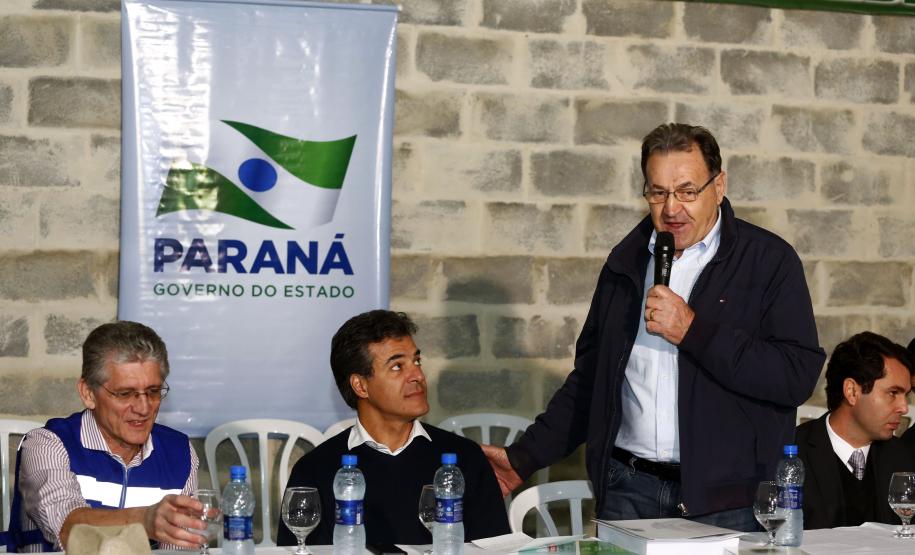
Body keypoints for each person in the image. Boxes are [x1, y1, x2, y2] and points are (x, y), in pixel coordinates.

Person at [483, 123, 826, 531]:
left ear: (719, 186)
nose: (671, 209)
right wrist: (524, 458)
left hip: (730, 501)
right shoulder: (624, 263)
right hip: (628, 489)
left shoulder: (769, 262)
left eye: (686, 191)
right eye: (658, 192)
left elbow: (795, 376)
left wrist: (695, 332)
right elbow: (593, 381)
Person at [277, 310, 509, 546]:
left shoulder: (464, 459)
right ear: (360, 386)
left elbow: (497, 549)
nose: (418, 375)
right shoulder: (316, 470)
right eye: (398, 366)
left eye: (416, 361)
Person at [8, 321, 206, 552]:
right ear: (88, 393)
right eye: (125, 394)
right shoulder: (48, 444)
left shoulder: (180, 453)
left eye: (153, 392)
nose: (144, 408)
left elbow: (177, 550)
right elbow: (68, 527)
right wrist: (146, 519)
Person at [796, 332, 915, 528]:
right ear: (852, 391)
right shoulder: (792, 454)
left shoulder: (905, 457)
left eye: (906, 395)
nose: (903, 407)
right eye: (893, 393)